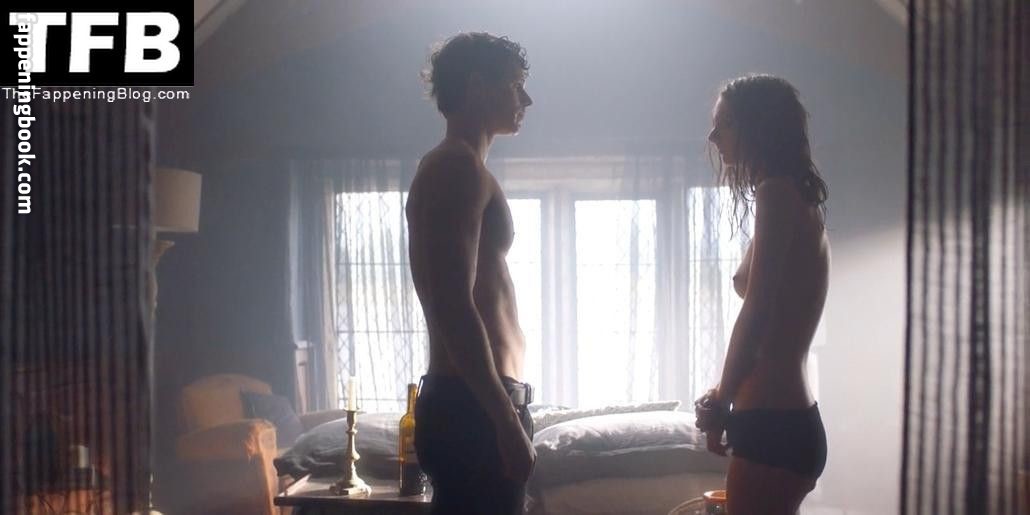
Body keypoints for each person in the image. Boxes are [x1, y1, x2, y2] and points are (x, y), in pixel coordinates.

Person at [405, 32, 536, 515]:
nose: (526, 100)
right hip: (472, 407)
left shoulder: (465, 168)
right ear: (479, 86)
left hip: (477, 402)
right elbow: (452, 305)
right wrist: (505, 420)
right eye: (515, 85)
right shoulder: (454, 167)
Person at [693, 74, 830, 515]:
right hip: (781, 420)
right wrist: (722, 391)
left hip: (775, 424)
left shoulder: (778, 194)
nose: (713, 136)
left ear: (759, 127)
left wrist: (720, 403)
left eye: (725, 124)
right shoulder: (789, 197)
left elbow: (756, 313)